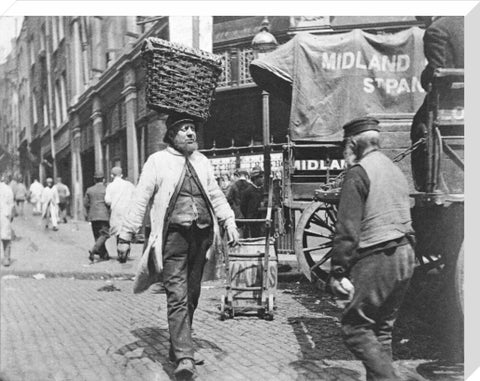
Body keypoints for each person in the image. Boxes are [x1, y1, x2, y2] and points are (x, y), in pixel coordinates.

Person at [117, 112, 239, 379]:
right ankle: (185, 356)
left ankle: (177, 346)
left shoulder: (203, 161)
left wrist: (229, 221)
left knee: (192, 294)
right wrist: (125, 235)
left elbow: (215, 194)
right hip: (173, 238)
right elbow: (141, 198)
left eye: (192, 128)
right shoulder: (157, 161)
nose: (190, 133)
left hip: (202, 238)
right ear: (171, 135)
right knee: (177, 295)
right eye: (183, 129)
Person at [328, 117, 416, 381]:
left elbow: (347, 228)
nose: (345, 153)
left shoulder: (358, 172)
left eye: (345, 146)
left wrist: (338, 271)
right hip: (405, 252)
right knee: (381, 330)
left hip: (378, 254)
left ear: (353, 144)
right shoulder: (393, 168)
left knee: (355, 328)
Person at [410, 16, 464, 191]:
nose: (424, 23)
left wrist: (425, 76)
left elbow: (438, 72)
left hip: (453, 101)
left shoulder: (437, 30)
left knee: (419, 125)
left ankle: (428, 185)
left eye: (423, 19)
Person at [104, 166, 135, 263]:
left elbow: (108, 201)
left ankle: (120, 252)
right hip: (128, 210)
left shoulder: (110, 186)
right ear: (121, 175)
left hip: (116, 211)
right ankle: (126, 250)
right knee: (127, 230)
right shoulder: (129, 185)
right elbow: (135, 196)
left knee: (118, 231)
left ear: (111, 175)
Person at [84, 172, 111, 262]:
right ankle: (94, 250)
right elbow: (109, 202)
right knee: (105, 234)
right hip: (104, 215)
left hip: (93, 215)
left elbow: (86, 203)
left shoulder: (89, 190)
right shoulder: (106, 189)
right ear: (103, 179)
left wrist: (88, 212)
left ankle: (104, 255)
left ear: (94, 179)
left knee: (97, 235)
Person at [243, 166, 265, 238]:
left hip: (259, 220)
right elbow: (243, 207)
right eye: (261, 177)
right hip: (251, 222)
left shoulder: (261, 190)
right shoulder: (248, 191)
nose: (263, 179)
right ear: (255, 179)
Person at [0, 172, 15, 267]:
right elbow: (11, 205)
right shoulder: (8, 189)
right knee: (6, 238)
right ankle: (6, 259)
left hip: (3, 214)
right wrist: (11, 217)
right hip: (5, 215)